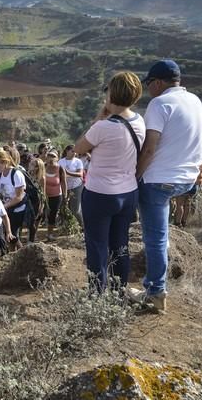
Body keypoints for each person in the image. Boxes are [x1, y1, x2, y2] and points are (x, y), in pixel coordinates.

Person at [130, 59, 202, 313]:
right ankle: (156, 284)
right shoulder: (195, 101)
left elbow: (150, 147)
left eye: (150, 83)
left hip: (158, 180)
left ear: (159, 82)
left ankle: (155, 293)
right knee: (160, 234)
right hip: (185, 180)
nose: (149, 88)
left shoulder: (160, 103)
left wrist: (135, 176)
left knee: (154, 239)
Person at [74, 71, 146, 292]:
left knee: (97, 247)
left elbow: (78, 149)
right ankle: (118, 292)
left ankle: (97, 295)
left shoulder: (103, 127)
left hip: (99, 194)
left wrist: (99, 117)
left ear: (111, 94)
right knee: (120, 246)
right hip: (128, 194)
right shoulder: (140, 121)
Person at [0, 150, 26, 249]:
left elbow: (19, 197)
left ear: (5, 162)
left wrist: (3, 206)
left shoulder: (16, 174)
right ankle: (13, 256)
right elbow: (1, 192)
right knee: (9, 235)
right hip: (7, 207)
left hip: (18, 208)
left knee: (13, 234)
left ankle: (23, 254)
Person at [58, 145, 84, 227]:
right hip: (64, 187)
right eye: (72, 151)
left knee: (75, 209)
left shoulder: (78, 161)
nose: (74, 153)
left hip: (76, 186)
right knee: (65, 208)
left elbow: (80, 174)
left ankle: (83, 225)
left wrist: (67, 173)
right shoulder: (60, 162)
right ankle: (67, 226)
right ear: (67, 151)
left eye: (75, 151)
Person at [44, 151, 67, 241]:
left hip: (56, 196)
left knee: (52, 214)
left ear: (57, 158)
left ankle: (49, 234)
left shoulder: (60, 168)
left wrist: (65, 196)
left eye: (53, 156)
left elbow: (63, 183)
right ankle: (32, 235)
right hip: (43, 196)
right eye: (49, 156)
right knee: (39, 214)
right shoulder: (43, 167)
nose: (51, 158)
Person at [26, 157, 46, 244]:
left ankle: (31, 239)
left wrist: (42, 206)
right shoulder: (27, 175)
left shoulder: (41, 178)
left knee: (35, 221)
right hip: (28, 200)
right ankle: (30, 237)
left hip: (37, 201)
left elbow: (43, 193)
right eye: (31, 163)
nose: (30, 165)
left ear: (38, 167)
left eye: (33, 165)